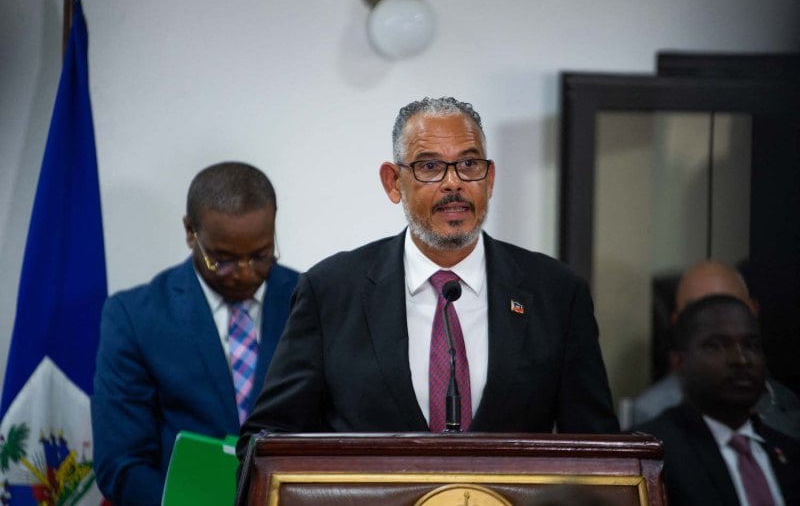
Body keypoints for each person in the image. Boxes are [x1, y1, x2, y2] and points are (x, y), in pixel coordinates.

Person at [238, 97, 618, 451]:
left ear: (489, 178)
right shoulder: (331, 291)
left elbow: (597, 448)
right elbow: (270, 440)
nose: (454, 183)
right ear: (393, 182)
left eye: (469, 165)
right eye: (430, 166)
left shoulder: (556, 294)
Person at [91, 162, 299, 505]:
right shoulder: (134, 317)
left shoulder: (311, 299)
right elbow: (121, 461)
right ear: (191, 232)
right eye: (224, 259)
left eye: (261, 256)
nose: (244, 274)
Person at [635, 295, 800, 505]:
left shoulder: (789, 452)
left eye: (751, 345)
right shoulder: (651, 455)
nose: (741, 359)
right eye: (717, 346)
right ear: (679, 362)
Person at [630, 261, 800, 439]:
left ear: (753, 310)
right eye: (698, 311)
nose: (717, 324)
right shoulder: (653, 413)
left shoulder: (786, 405)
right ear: (677, 319)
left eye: (729, 308)